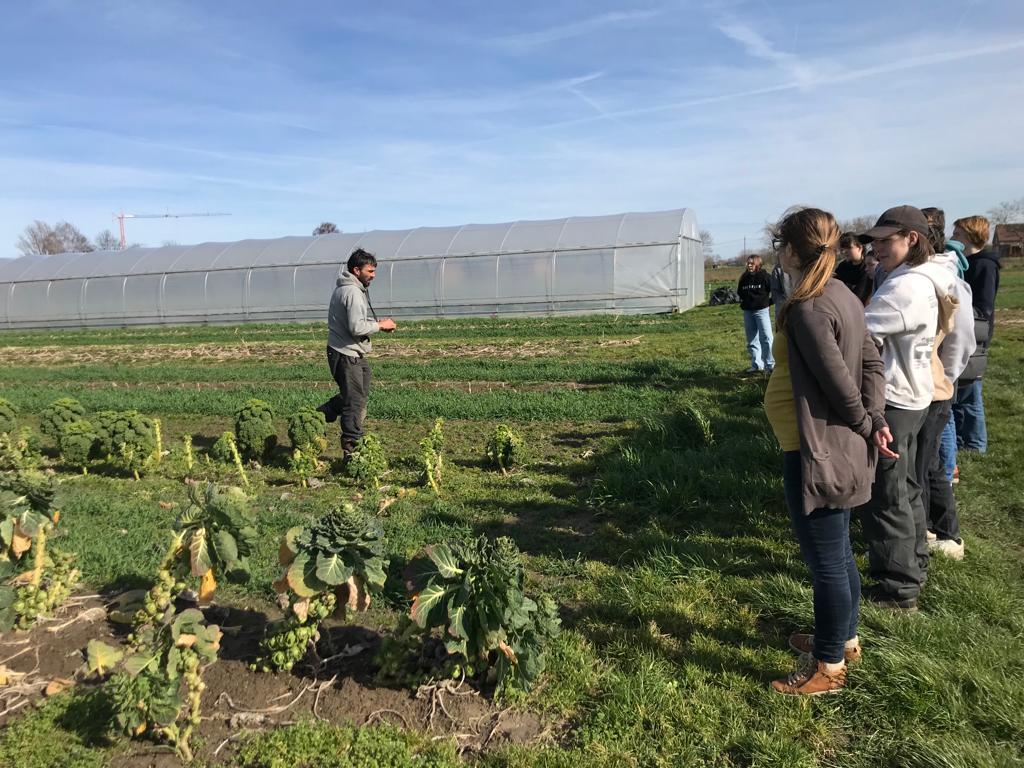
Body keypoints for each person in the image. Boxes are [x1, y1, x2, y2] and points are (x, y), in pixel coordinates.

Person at [763, 207, 886, 696]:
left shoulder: (811, 307)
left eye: (780, 245)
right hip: (836, 444)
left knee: (826, 563)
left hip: (818, 449)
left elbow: (839, 381)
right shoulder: (841, 294)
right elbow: (872, 362)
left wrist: (863, 421)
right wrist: (872, 420)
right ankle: (844, 639)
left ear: (792, 250)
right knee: (838, 555)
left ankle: (828, 667)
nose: (777, 253)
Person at [858, 206, 940, 612]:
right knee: (906, 487)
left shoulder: (903, 287)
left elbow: (856, 330)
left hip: (893, 400)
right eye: (874, 241)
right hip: (915, 396)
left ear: (912, 239)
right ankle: (915, 563)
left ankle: (898, 589)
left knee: (885, 495)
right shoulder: (920, 279)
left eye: (886, 240)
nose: (877, 248)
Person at [913, 211, 975, 562]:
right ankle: (938, 531)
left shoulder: (948, 280)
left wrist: (943, 377)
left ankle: (939, 533)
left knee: (924, 466)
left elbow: (961, 340)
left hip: (933, 388)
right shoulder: (915, 276)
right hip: (925, 387)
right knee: (929, 463)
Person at [317, 248, 396, 457]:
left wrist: (376, 325)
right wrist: (380, 326)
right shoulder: (351, 292)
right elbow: (356, 327)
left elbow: (356, 324)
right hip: (345, 353)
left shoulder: (351, 289)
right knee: (354, 401)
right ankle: (352, 447)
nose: (373, 275)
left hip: (351, 352)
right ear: (356, 270)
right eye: (370, 271)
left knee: (357, 395)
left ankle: (324, 413)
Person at [951, 215, 1001, 453]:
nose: (953, 238)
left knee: (970, 395)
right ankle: (962, 440)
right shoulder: (966, 264)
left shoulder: (984, 266)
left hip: (975, 336)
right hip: (966, 333)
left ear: (970, 236)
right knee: (960, 394)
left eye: (958, 234)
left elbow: (983, 306)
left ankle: (976, 444)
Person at [737, 254, 774, 372]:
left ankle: (770, 365)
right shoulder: (744, 277)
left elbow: (775, 291)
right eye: (748, 263)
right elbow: (740, 292)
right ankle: (757, 364)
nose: (749, 265)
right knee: (752, 339)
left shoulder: (765, 277)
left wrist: (767, 303)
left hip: (761, 311)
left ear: (758, 264)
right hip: (748, 311)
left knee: (766, 338)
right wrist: (746, 302)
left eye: (751, 263)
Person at [835, 233, 873, 304]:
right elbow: (834, 288)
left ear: (860, 247)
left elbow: (860, 295)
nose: (844, 251)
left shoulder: (867, 267)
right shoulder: (842, 266)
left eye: (849, 248)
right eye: (842, 248)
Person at [768, 258, 788, 326]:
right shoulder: (778, 269)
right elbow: (775, 290)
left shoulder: (802, 266)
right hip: (782, 307)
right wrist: (784, 303)